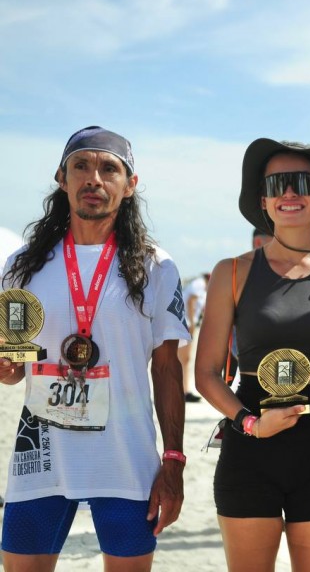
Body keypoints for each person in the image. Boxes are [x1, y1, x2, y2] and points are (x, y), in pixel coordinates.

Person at [0, 126, 189, 570]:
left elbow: (166, 370)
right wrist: (6, 365)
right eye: (81, 166)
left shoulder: (155, 267)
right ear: (61, 178)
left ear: (130, 185)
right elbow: (13, 367)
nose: (94, 179)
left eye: (109, 168)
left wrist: (174, 462)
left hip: (124, 461)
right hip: (41, 456)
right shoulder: (22, 266)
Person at [195, 138, 310, 571]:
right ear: (262, 199)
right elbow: (205, 373)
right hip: (250, 442)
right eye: (278, 184)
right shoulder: (233, 271)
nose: (289, 193)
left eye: (302, 183)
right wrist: (248, 423)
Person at [179, 272, 209, 402]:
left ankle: (185, 390)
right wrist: (191, 322)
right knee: (183, 359)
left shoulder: (199, 285)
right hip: (186, 322)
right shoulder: (200, 283)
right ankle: (183, 391)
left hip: (187, 322)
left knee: (186, 359)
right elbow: (191, 300)